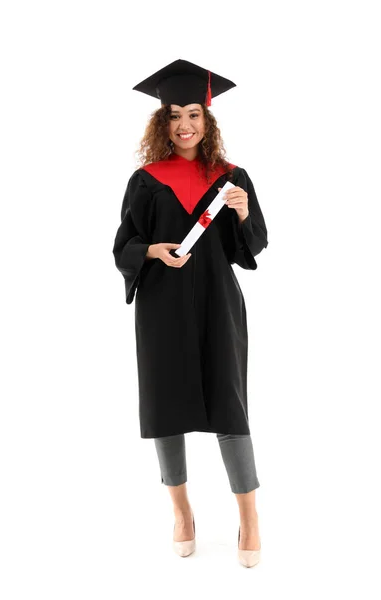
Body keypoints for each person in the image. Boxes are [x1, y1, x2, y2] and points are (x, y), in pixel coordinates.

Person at [112, 59, 268, 567]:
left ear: (208, 120)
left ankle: (249, 516)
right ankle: (182, 513)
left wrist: (243, 213)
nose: (184, 124)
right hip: (162, 307)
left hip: (219, 305)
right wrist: (151, 252)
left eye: (194, 114)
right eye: (175, 114)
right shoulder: (145, 180)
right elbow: (123, 246)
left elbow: (252, 248)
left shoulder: (230, 178)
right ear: (162, 121)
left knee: (229, 405)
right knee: (165, 409)